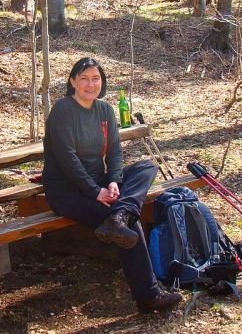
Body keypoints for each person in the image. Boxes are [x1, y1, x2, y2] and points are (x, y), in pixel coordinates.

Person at [42, 58, 182, 313]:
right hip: (67, 192)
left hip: (100, 183)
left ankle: (120, 214)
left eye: (96, 79)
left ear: (102, 83)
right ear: (72, 81)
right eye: (83, 78)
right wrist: (95, 192)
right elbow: (66, 158)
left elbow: (115, 151)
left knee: (146, 167)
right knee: (130, 223)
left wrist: (114, 181)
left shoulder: (104, 110)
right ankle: (148, 296)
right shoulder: (62, 110)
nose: (90, 84)